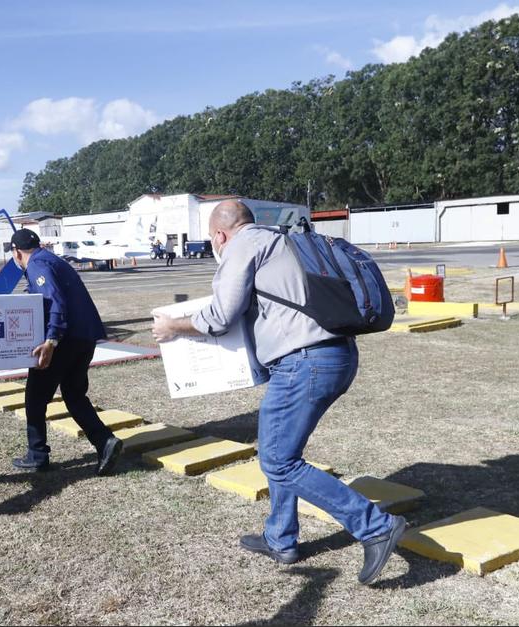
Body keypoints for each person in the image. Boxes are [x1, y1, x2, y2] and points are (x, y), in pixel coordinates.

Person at [151, 200, 405, 585]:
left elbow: (221, 316)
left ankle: (375, 527)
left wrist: (173, 327)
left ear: (219, 235)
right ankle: (280, 538)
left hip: (304, 363)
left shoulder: (242, 246)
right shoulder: (279, 241)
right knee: (279, 452)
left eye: (214, 241)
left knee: (278, 460)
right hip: (334, 355)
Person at [8, 228, 123, 475]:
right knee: (74, 395)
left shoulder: (37, 265)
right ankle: (105, 441)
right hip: (85, 337)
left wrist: (51, 340)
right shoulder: (53, 260)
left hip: (64, 340)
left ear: (16, 253)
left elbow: (56, 301)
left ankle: (37, 455)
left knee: (35, 398)